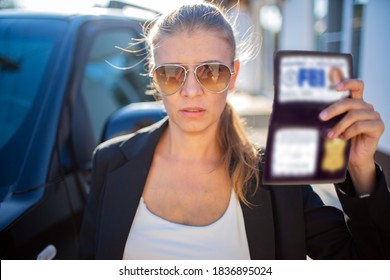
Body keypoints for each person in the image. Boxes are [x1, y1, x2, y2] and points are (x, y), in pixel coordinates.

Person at [79, 2, 390, 260]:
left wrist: (361, 169)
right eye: (172, 73)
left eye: (211, 72)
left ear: (234, 75)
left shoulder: (276, 178)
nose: (191, 91)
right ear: (155, 77)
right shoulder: (110, 162)